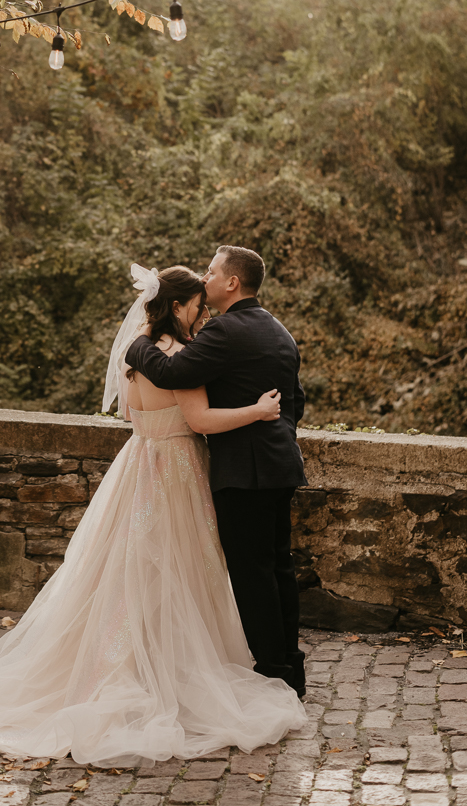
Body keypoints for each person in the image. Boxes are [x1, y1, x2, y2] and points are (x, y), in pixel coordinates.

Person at [0, 264, 306, 765]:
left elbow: (131, 414)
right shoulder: (196, 351)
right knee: (187, 571)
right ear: (177, 306)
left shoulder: (138, 355)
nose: (202, 313)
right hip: (177, 472)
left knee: (128, 573)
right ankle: (177, 667)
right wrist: (257, 412)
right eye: (196, 305)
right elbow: (196, 419)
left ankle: (124, 662)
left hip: (138, 466)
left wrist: (141, 345)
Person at [126, 246, 307, 698]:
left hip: (242, 472)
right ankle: (291, 666)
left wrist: (136, 344)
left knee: (250, 572)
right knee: (279, 567)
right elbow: (296, 402)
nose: (205, 280)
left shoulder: (223, 331)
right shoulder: (280, 331)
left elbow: (172, 371)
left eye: (211, 272)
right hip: (281, 462)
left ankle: (272, 671)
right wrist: (272, 426)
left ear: (232, 283)